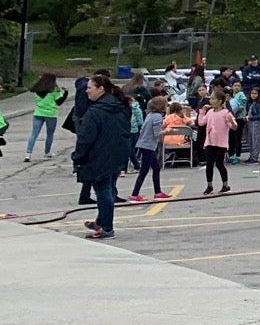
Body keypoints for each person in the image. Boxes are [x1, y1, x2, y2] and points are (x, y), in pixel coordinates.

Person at [75, 73, 133, 241]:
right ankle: (101, 221)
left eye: (89, 88)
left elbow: (85, 138)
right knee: (108, 187)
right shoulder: (121, 106)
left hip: (99, 155)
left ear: (101, 89)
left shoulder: (95, 112)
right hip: (118, 154)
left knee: (103, 190)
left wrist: (77, 157)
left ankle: (107, 227)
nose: (87, 91)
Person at [197, 87, 234, 195]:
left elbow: (233, 127)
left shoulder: (226, 113)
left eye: (213, 99)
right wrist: (202, 111)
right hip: (210, 142)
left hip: (221, 142)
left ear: (220, 101)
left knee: (219, 163)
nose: (210, 101)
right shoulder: (209, 112)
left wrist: (232, 122)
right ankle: (209, 185)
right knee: (209, 164)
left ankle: (225, 184)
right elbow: (201, 123)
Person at [129, 98, 167, 202]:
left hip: (144, 144)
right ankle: (134, 193)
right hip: (148, 145)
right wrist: (167, 130)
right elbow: (157, 133)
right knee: (144, 170)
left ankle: (158, 191)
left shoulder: (150, 115)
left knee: (156, 168)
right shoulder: (158, 117)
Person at [26, 74, 66, 160]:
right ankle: (47, 152)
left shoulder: (37, 88)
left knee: (34, 133)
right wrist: (65, 93)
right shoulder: (54, 90)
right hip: (51, 114)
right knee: (49, 134)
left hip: (38, 113)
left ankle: (28, 153)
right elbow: (59, 102)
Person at [243, 86, 260, 164]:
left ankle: (255, 157)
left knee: (256, 140)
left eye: (255, 93)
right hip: (250, 124)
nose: (253, 95)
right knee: (250, 140)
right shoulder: (250, 103)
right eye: (252, 93)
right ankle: (251, 155)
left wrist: (251, 117)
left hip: (256, 123)